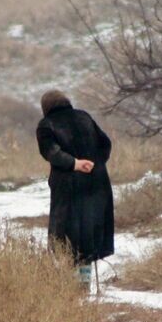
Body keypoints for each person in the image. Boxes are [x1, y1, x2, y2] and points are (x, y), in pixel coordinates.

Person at [36, 89, 114, 288]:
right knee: (88, 234)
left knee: (65, 236)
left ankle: (69, 288)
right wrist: (95, 163)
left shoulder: (46, 125)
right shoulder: (84, 117)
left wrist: (75, 164)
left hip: (68, 187)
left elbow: (52, 153)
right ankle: (84, 285)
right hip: (97, 183)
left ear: (46, 107)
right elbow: (105, 143)